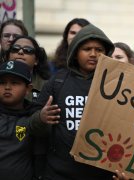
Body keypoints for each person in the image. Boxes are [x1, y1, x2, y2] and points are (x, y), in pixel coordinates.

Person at [31, 24, 116, 179]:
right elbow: (31, 123)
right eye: (87, 49)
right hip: (59, 173)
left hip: (101, 173)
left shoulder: (115, 84)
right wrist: (41, 118)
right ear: (75, 52)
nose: (93, 54)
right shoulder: (57, 82)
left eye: (99, 50)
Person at [0, 60, 46, 180]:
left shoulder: (35, 117)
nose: (7, 87)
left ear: (28, 89)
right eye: (2, 82)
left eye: (15, 83)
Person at [5, 35, 50, 101]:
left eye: (27, 50)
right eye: (15, 49)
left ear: (36, 60)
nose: (20, 52)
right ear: (8, 57)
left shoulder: (48, 87)